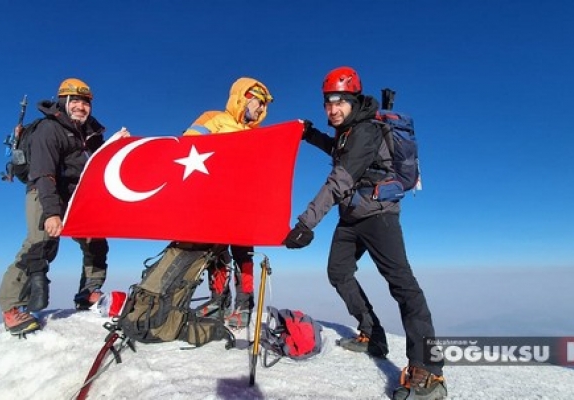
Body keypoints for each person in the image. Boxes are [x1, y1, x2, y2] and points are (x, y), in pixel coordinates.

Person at [283, 67, 446, 400]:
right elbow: (339, 152)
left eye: (339, 101)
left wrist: (305, 223)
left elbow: (340, 178)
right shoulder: (349, 132)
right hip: (352, 216)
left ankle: (429, 373)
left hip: (378, 216)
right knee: (338, 271)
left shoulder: (367, 131)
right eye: (328, 102)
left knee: (403, 286)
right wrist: (312, 135)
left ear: (354, 99)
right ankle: (372, 334)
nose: (332, 109)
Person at [0, 78, 110, 337]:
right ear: (64, 102)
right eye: (76, 101)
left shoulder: (91, 134)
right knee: (41, 243)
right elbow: (43, 172)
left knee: (96, 240)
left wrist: (116, 143)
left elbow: (100, 163)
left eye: (85, 102)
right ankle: (11, 306)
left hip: (75, 195)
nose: (81, 107)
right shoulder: (50, 129)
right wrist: (51, 213)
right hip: (45, 190)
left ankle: (88, 292)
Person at [182, 77, 273, 328]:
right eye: (258, 100)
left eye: (264, 104)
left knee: (243, 252)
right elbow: (188, 145)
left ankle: (244, 306)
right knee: (217, 252)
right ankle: (218, 302)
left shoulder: (258, 134)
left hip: (245, 200)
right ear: (243, 97)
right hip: (214, 197)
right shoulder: (213, 118)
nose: (261, 107)